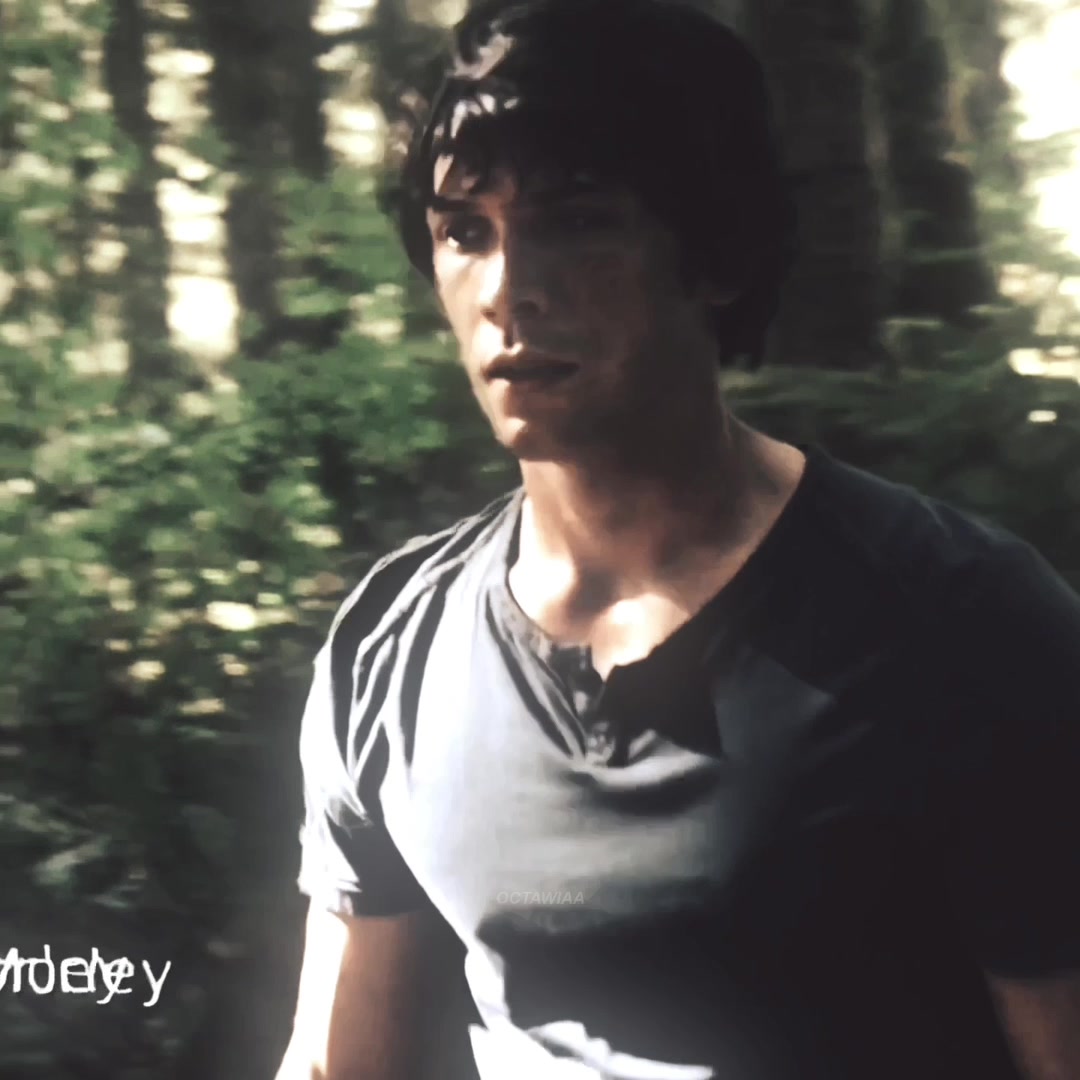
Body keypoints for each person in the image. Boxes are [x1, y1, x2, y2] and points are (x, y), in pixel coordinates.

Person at [275, 1, 1080, 1077]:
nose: (509, 288)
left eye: (577, 220)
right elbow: (331, 1065)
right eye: (465, 231)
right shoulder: (390, 647)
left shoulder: (959, 623)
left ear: (716, 252)